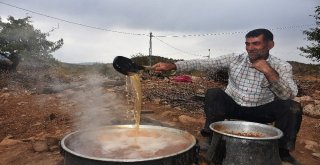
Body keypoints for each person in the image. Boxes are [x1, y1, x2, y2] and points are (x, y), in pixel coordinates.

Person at [152, 28, 302, 165]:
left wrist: (269, 72)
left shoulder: (282, 66)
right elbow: (204, 63)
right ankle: (212, 140)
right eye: (247, 44)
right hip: (234, 106)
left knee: (292, 107)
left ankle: (282, 152)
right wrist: (173, 66)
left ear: (270, 45)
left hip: (261, 111)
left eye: (256, 44)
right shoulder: (235, 59)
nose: (250, 48)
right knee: (214, 93)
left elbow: (289, 95)